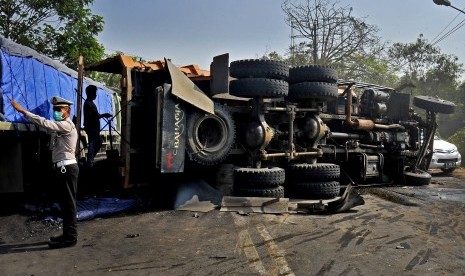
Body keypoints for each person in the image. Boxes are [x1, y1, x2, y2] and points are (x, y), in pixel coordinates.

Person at [10, 96, 79, 249]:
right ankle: (67, 234)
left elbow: (45, 123)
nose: (55, 112)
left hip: (67, 169)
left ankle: (71, 237)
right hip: (63, 168)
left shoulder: (66, 125)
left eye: (58, 110)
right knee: (65, 203)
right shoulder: (61, 126)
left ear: (67, 111)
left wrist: (24, 112)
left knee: (69, 204)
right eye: (54, 109)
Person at [83, 85, 111, 167]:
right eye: (94, 93)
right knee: (93, 143)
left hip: (94, 128)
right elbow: (93, 116)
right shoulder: (88, 104)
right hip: (91, 128)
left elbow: (95, 114)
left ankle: (90, 160)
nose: (96, 95)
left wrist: (103, 115)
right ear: (90, 93)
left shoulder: (91, 103)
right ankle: (89, 161)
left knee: (97, 143)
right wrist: (104, 115)